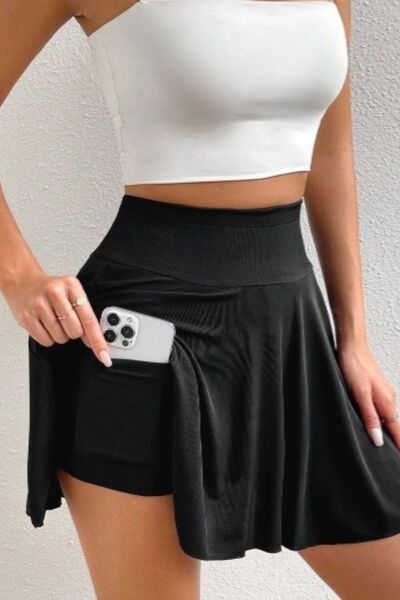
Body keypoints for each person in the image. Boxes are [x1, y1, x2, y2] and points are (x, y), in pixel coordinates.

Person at [1, 1, 400, 598]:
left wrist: (354, 339)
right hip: (140, 343)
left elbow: (329, 151)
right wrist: (18, 277)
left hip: (293, 334)